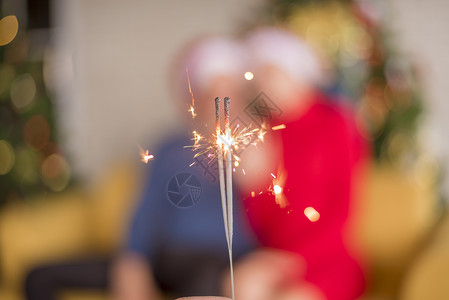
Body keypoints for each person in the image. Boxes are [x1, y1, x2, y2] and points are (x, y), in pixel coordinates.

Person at [111, 35, 258, 300]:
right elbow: (146, 210)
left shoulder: (256, 144)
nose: (222, 104)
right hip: (168, 258)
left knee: (208, 277)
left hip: (226, 260)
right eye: (213, 94)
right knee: (40, 276)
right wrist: (133, 259)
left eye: (229, 94)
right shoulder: (168, 147)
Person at [228, 27, 368, 300]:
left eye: (269, 72)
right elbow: (260, 216)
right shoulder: (262, 134)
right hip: (277, 257)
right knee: (242, 284)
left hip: (329, 259)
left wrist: (296, 259)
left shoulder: (336, 123)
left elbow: (345, 211)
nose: (261, 84)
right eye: (257, 76)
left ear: (293, 70)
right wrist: (251, 179)